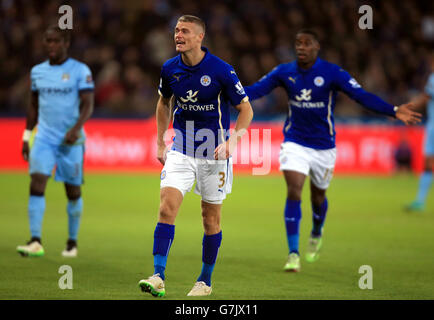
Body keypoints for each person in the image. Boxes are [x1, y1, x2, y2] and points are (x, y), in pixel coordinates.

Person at [244, 29, 421, 272]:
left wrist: (393, 110)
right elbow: (255, 90)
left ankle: (317, 229)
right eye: (298, 43)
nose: (301, 47)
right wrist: (225, 90)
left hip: (324, 147)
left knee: (318, 197)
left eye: (307, 43)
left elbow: (361, 96)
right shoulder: (284, 72)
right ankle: (293, 253)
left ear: (317, 46)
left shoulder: (332, 73)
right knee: (294, 190)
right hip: (294, 142)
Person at [138, 15, 253, 297]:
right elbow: (163, 103)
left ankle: (205, 281)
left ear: (200, 37)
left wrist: (232, 140)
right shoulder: (169, 69)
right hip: (181, 150)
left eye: (185, 31)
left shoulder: (221, 70)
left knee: (210, 219)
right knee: (166, 207)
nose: (178, 35)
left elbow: (246, 110)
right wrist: (160, 143)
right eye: (176, 30)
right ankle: (158, 275)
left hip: (215, 154)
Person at [16, 25, 94, 258]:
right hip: (45, 138)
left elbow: (88, 104)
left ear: (66, 43)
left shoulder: (80, 70)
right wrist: (26, 135)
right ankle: (35, 240)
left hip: (71, 141)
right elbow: (33, 105)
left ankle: (71, 242)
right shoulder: (37, 72)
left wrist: (76, 128)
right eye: (47, 41)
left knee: (72, 192)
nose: (51, 45)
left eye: (56, 41)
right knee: (37, 182)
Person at [405, 54, 434, 212]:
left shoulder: (433, 78)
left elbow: (425, 98)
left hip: (433, 127)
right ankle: (420, 201)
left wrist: (405, 109)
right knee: (428, 163)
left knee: (428, 163)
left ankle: (420, 201)